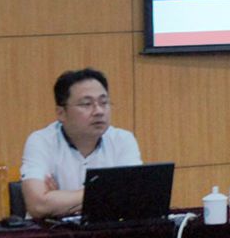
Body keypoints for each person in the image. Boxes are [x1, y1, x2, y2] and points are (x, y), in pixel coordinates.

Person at [20, 68, 142, 218]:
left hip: (106, 229)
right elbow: (38, 206)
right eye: (86, 104)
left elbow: (134, 198)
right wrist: (109, 194)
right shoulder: (41, 141)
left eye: (104, 102)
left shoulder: (123, 140)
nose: (99, 111)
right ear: (61, 113)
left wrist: (60, 200)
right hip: (53, 231)